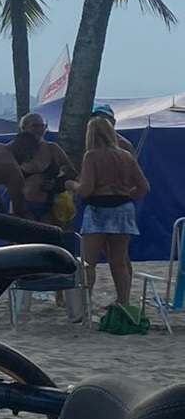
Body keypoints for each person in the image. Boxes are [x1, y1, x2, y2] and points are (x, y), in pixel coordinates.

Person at [66, 117, 150, 305]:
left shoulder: (92, 156)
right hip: (123, 208)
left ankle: (83, 305)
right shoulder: (125, 156)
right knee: (119, 261)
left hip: (98, 209)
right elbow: (143, 186)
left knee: (89, 262)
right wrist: (126, 195)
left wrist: (72, 185)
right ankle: (123, 302)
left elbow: (86, 189)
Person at [17, 112, 77, 223]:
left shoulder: (53, 149)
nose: (39, 129)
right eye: (35, 126)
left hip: (50, 206)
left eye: (42, 126)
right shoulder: (16, 151)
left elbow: (72, 173)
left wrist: (57, 182)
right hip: (23, 206)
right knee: (23, 239)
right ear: (24, 128)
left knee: (48, 239)